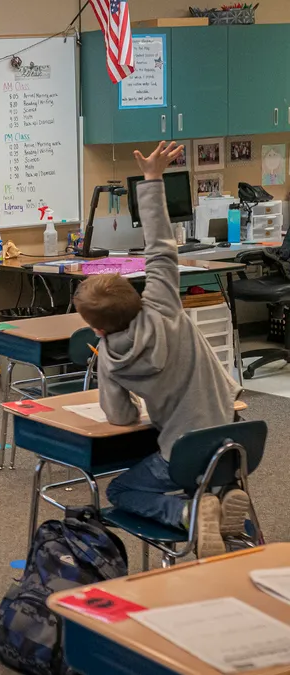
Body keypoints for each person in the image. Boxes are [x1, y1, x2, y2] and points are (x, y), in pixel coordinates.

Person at [75, 141, 244, 560]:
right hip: (236, 437)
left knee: (121, 490)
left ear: (97, 327)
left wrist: (136, 408)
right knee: (210, 473)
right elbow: (160, 244)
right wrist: (152, 179)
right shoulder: (163, 302)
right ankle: (222, 502)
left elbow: (120, 417)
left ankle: (188, 512)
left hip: (182, 452)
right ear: (137, 291)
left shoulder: (110, 360)